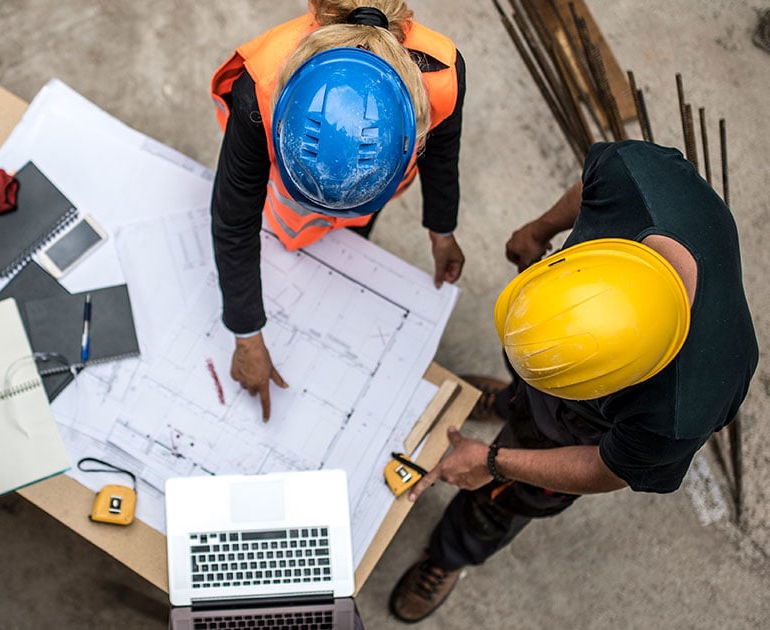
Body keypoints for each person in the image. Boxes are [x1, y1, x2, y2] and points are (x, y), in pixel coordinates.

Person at [388, 140, 759, 623]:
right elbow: (590, 187)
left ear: (614, 384)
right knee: (526, 391)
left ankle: (450, 555)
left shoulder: (682, 408)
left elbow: (605, 469)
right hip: (571, 355)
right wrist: (540, 229)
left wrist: (495, 462)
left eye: (558, 380)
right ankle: (508, 401)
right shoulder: (636, 179)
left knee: (501, 501)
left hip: (578, 434)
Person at [210, 0, 467, 420]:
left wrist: (442, 228)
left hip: (370, 195)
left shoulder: (441, 74)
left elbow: (442, 155)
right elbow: (234, 217)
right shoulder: (261, 88)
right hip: (288, 205)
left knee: (346, 245)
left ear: (411, 135)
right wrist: (247, 335)